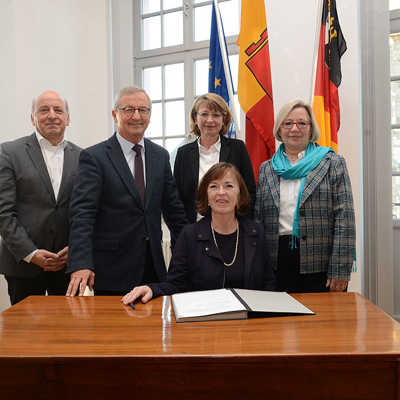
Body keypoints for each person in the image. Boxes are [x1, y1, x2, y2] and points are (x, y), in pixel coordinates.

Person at [66, 86, 187, 296]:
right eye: (128, 109)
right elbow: (82, 215)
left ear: (150, 115)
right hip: (111, 271)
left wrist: (193, 251)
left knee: (153, 329)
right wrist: (80, 263)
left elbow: (174, 211)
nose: (136, 116)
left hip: (153, 268)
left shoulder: (160, 156)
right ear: (115, 114)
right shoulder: (94, 157)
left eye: (143, 110)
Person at [121, 162, 275, 305]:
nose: (221, 192)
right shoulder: (189, 235)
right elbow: (175, 284)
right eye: (214, 187)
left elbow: (268, 283)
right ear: (206, 197)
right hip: (204, 324)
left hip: (248, 324)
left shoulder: (255, 232)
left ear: (239, 196)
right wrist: (152, 289)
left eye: (228, 186)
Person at [255, 99, 355, 293]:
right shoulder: (266, 169)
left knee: (321, 321)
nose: (295, 128)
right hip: (276, 259)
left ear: (311, 129)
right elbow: (258, 221)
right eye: (288, 123)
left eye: (302, 123)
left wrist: (340, 269)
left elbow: (345, 219)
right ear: (279, 129)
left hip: (320, 260)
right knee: (278, 321)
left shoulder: (332, 162)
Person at [0, 90, 81, 305]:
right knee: (24, 334)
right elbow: (4, 213)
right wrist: (31, 253)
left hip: (68, 265)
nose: (52, 115)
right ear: (32, 117)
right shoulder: (8, 152)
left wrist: (75, 248)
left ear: (68, 118)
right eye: (44, 110)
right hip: (23, 266)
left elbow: (87, 212)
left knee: (67, 333)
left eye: (58, 110)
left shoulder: (84, 157)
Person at [173, 93, 256, 223]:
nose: (210, 120)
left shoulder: (237, 148)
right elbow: (176, 198)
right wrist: (184, 232)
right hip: (192, 232)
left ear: (224, 120)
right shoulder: (183, 153)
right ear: (195, 118)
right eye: (204, 114)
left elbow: (249, 192)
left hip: (231, 229)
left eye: (216, 115)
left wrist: (241, 226)